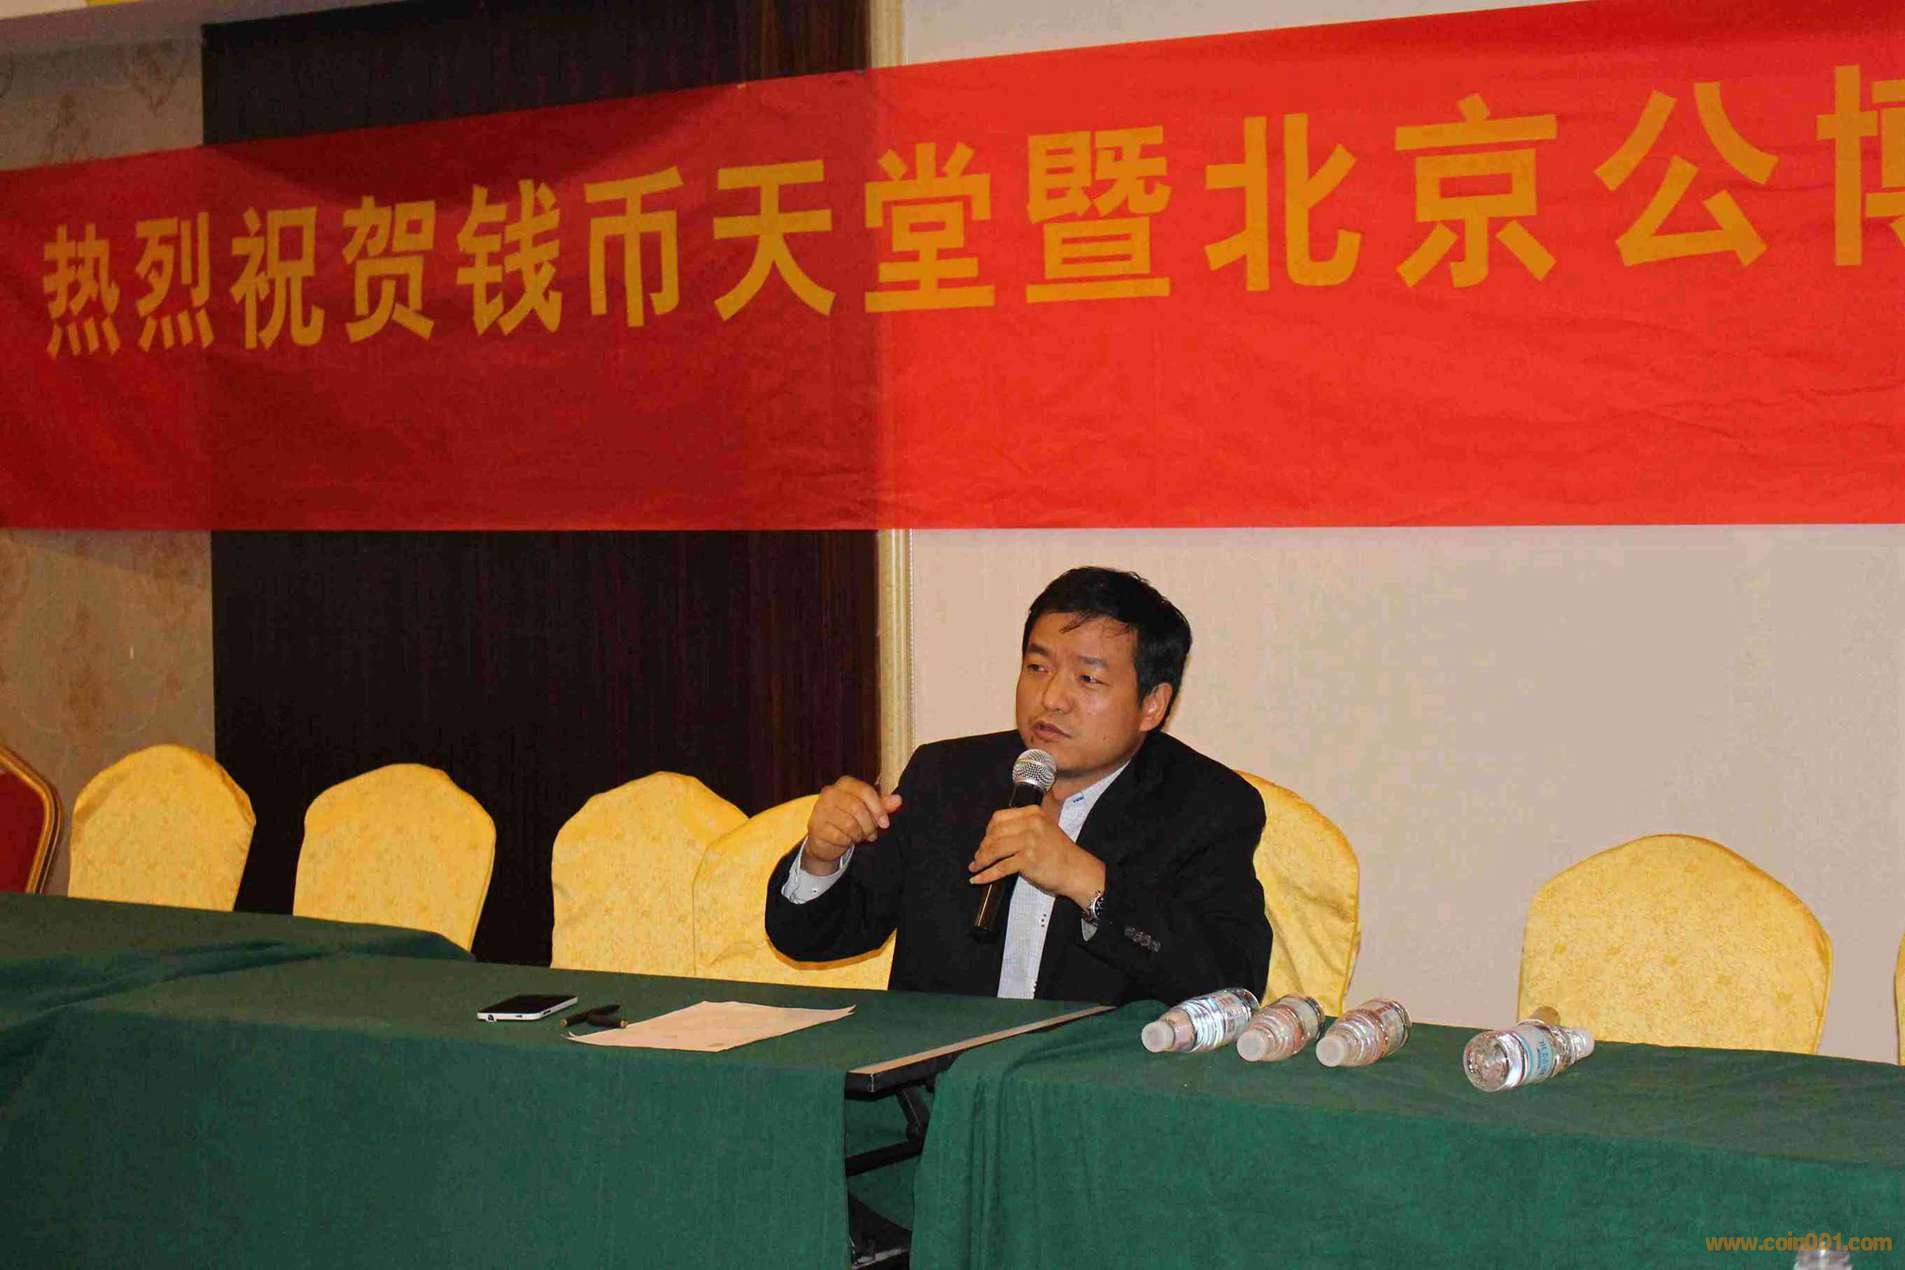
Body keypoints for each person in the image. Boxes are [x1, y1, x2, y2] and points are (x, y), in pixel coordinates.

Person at [764, 566, 1270, 1006]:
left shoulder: (1207, 807)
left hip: (1091, 1082)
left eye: (1088, 679)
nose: (1051, 698)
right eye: (1037, 667)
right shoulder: (945, 777)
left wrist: (1088, 882)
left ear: (1152, 705)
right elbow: (813, 938)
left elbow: (1231, 981)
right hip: (941, 1080)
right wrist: (822, 858)